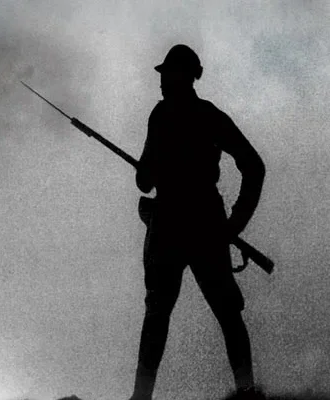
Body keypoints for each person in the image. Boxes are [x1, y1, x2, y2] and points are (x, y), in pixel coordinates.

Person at [131, 44, 266, 400]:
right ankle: (244, 392)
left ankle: (244, 392)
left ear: (185, 76)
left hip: (190, 225)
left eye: (167, 74)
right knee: (172, 313)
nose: (161, 81)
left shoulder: (190, 116)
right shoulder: (179, 115)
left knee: (204, 312)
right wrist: (233, 224)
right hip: (190, 223)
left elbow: (254, 166)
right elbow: (146, 179)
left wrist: (235, 223)